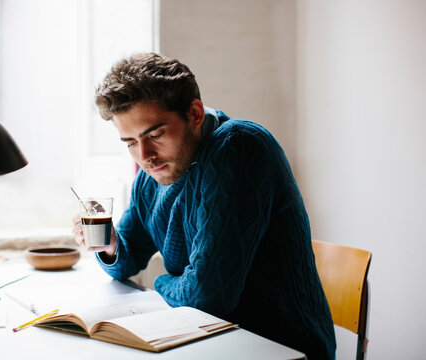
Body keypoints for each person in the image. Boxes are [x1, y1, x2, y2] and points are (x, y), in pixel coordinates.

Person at [72, 52, 336, 359]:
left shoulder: (238, 148)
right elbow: (127, 260)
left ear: (195, 113)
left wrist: (161, 280)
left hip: (279, 347)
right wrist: (111, 242)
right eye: (129, 142)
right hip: (209, 342)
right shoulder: (154, 173)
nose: (144, 155)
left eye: (155, 134)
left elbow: (206, 299)